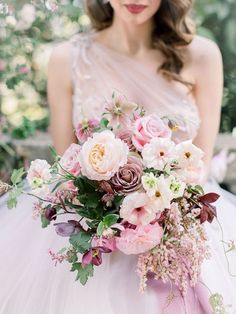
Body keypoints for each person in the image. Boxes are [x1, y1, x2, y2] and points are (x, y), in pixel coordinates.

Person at [0, 0, 235, 313]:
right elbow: (66, 165)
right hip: (93, 225)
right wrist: (109, 215)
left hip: (178, 216)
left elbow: (200, 165)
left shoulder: (202, 56)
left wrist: (156, 210)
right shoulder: (66, 59)